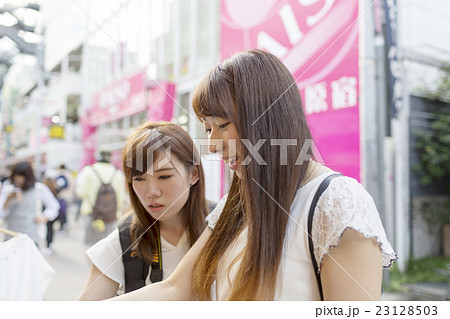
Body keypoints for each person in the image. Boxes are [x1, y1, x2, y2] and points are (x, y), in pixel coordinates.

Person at [111, 49, 397, 301]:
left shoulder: (337, 204)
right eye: (207, 128)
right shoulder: (234, 204)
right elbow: (176, 289)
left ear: (269, 119)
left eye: (222, 125)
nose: (211, 145)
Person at [78, 121, 209, 300]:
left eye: (164, 176)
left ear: (193, 174)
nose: (151, 192)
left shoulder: (225, 228)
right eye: (139, 179)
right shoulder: (124, 241)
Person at [0, 162, 60, 246]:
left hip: (31, 235)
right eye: (16, 176)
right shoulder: (8, 190)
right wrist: (8, 199)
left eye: (21, 176)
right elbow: (2, 213)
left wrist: (44, 217)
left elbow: (54, 206)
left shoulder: (39, 189)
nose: (18, 179)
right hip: (10, 235)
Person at [75, 150, 126, 246]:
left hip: (92, 214)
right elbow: (122, 198)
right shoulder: (118, 173)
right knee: (109, 246)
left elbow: (80, 193)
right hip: (112, 216)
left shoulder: (88, 171)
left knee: (91, 246)